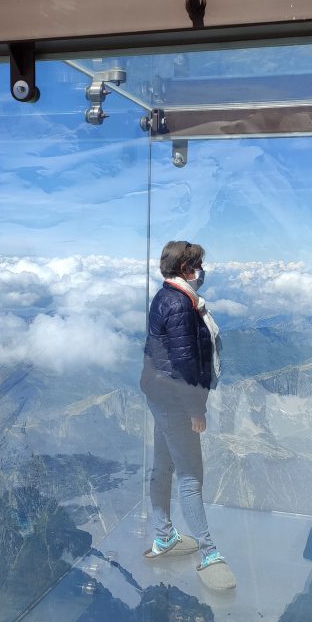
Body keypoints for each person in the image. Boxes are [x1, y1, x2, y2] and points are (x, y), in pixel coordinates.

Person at [140, 241, 235, 590]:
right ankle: (209, 553)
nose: (201, 271)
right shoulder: (180, 305)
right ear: (186, 269)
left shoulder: (166, 297)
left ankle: (164, 536)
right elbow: (184, 364)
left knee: (164, 465)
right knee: (191, 474)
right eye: (198, 265)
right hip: (176, 401)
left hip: (160, 395)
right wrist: (196, 409)